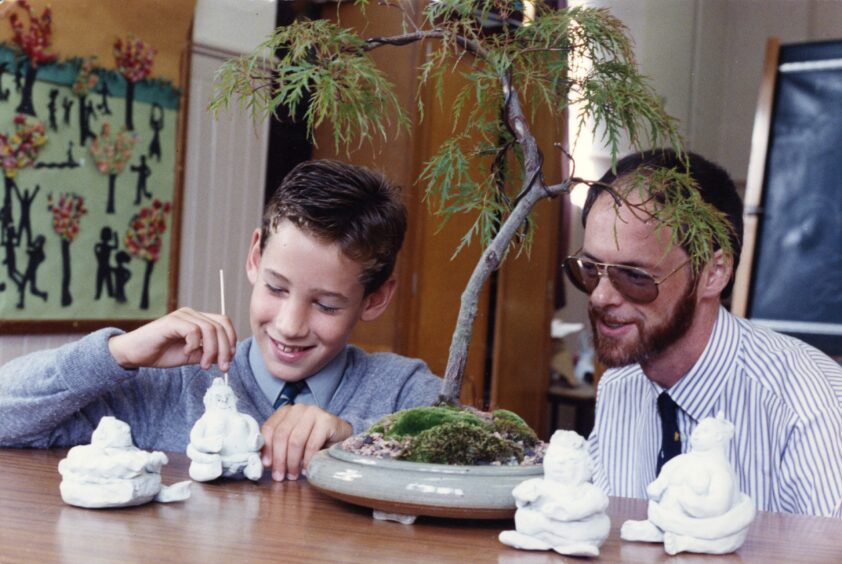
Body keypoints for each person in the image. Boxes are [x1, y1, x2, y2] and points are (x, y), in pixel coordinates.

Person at [0, 159, 442, 482]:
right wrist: (119, 352)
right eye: (275, 288)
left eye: (326, 305)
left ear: (376, 297)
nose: (290, 325)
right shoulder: (172, 386)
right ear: (254, 257)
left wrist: (355, 440)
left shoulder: (405, 392)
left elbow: (486, 462)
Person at [564, 149, 842, 517]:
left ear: (714, 273)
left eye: (634, 276)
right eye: (589, 268)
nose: (600, 296)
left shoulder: (808, 406)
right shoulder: (621, 385)